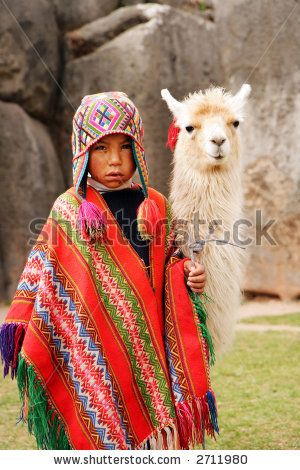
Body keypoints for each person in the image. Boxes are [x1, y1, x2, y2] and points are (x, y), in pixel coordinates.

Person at [0, 92, 218, 450]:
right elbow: (49, 280)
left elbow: (171, 265)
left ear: (139, 151)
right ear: (83, 152)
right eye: (101, 148)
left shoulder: (155, 204)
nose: (115, 160)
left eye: (125, 146)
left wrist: (187, 275)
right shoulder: (69, 209)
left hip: (153, 351)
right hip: (94, 351)